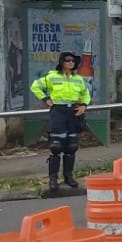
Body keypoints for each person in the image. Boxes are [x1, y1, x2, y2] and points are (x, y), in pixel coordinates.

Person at [30, 51, 91, 192]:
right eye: (68, 60)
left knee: (72, 146)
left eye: (73, 61)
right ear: (62, 62)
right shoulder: (52, 76)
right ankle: (53, 178)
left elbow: (85, 93)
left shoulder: (78, 79)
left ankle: (68, 176)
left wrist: (84, 105)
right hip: (58, 112)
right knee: (56, 146)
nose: (71, 63)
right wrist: (46, 99)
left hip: (72, 112)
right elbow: (35, 86)